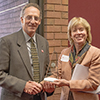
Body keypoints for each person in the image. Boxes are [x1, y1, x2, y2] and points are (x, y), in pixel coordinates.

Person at [0, 3, 54, 100]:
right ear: (22, 19)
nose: (32, 21)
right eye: (29, 17)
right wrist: (23, 86)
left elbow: (47, 72)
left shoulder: (43, 43)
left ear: (40, 21)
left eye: (36, 18)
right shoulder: (7, 42)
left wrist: (48, 85)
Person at [42, 17, 100, 100]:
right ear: (70, 35)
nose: (78, 33)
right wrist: (45, 82)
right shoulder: (64, 53)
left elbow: (93, 84)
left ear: (87, 33)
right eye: (74, 30)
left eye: (81, 29)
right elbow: (57, 74)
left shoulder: (96, 53)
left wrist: (68, 83)